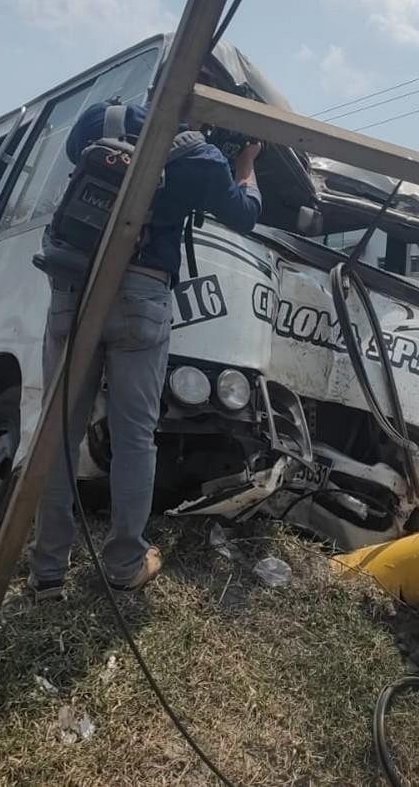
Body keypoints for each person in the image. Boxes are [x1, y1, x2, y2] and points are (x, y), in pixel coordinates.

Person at [27, 101, 262, 598]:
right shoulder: (204, 159)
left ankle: (47, 570)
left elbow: (76, 160)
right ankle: (123, 566)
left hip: (73, 287)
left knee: (59, 430)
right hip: (141, 295)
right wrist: (247, 167)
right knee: (134, 436)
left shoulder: (101, 120)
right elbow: (244, 217)